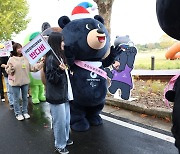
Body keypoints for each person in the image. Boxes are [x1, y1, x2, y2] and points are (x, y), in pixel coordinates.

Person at [44, 32, 73, 154]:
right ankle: (60, 145)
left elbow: (62, 74)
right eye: (61, 41)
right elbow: (51, 79)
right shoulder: (51, 59)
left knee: (66, 120)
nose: (64, 43)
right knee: (59, 122)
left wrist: (67, 71)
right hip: (56, 96)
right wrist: (61, 71)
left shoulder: (60, 56)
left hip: (63, 94)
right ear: (56, 42)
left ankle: (65, 139)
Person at [5, 43, 44, 121]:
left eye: (21, 47)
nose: (20, 49)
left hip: (25, 82)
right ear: (15, 49)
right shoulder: (11, 59)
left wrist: (41, 63)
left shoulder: (26, 58)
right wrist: (10, 69)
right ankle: (18, 113)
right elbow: (8, 70)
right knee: (16, 99)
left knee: (25, 98)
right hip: (15, 82)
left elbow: (32, 68)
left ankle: (25, 112)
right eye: (18, 48)